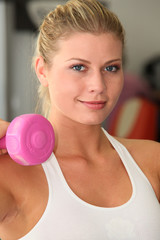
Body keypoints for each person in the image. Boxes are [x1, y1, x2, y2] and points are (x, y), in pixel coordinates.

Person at [0, 0, 160, 239]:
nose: (98, 86)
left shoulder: (152, 160)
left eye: (111, 68)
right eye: (78, 67)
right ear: (42, 71)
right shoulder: (10, 175)